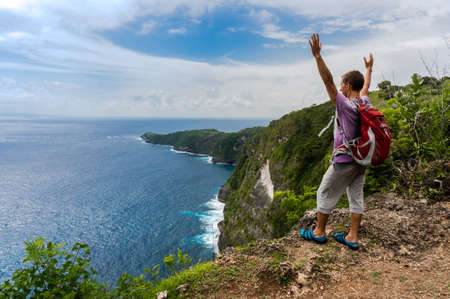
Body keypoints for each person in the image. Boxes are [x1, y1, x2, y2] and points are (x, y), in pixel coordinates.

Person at [300, 33, 374, 250]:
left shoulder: (346, 105)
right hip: (362, 159)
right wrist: (369, 69)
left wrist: (317, 57)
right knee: (356, 195)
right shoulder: (364, 101)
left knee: (323, 191)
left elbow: (327, 80)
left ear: (348, 86)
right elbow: (366, 87)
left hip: (345, 159)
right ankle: (352, 236)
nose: (340, 87)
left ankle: (319, 232)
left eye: (343, 84)